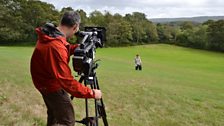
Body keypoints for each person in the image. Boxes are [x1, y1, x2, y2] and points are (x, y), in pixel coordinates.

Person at [30, 11, 102, 126]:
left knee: (54, 114)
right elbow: (67, 82)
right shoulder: (55, 46)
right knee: (67, 121)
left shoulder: (50, 35)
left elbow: (61, 49)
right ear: (75, 27)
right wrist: (92, 93)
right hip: (51, 86)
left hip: (43, 82)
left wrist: (78, 48)